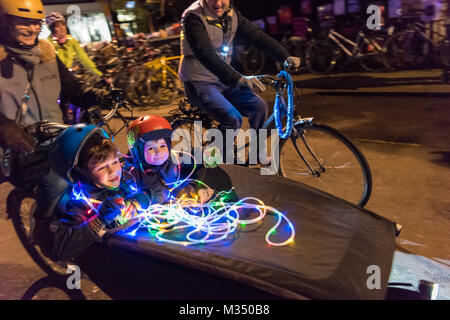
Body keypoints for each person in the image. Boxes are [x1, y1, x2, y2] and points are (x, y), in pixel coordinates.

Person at [0, 0, 123, 220]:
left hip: (57, 138)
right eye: (23, 22)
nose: (32, 29)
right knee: (57, 185)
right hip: (20, 149)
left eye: (36, 23)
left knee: (101, 164)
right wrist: (5, 127)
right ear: (5, 21)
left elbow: (72, 89)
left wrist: (98, 98)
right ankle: (48, 231)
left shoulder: (46, 52)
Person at [178, 0, 300, 161]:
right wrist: (237, 79)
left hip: (222, 80)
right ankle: (207, 161)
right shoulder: (193, 17)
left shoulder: (232, 15)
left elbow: (258, 38)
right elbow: (205, 53)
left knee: (259, 107)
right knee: (232, 118)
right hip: (198, 81)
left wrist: (285, 57)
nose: (218, 3)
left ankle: (256, 154)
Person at [49, 124, 150, 260]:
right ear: (81, 172)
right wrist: (100, 219)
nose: (113, 171)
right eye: (102, 167)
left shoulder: (124, 180)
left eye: (114, 162)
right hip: (108, 262)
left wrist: (140, 199)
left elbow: (153, 190)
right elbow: (60, 251)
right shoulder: (77, 205)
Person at [126, 114, 215, 204]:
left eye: (162, 146)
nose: (159, 152)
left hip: (185, 202)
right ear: (137, 152)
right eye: (151, 148)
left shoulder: (172, 160)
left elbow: (189, 158)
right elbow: (126, 191)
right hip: (159, 212)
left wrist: (206, 155)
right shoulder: (134, 174)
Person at [46, 12, 102, 76]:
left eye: (63, 25)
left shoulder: (70, 40)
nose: (62, 28)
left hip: (69, 75)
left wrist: (98, 74)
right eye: (57, 26)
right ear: (51, 29)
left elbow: (83, 58)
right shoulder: (48, 44)